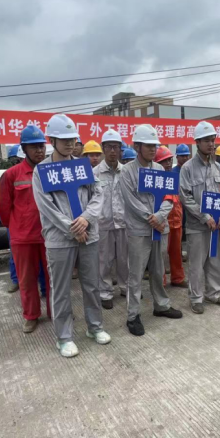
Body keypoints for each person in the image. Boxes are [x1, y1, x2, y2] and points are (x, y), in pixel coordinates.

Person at [32, 114, 111, 358]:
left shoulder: (83, 166)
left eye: (72, 139)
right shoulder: (41, 171)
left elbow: (98, 194)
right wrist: (72, 228)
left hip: (89, 235)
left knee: (91, 284)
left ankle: (95, 327)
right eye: (64, 139)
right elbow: (46, 206)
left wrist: (86, 219)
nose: (69, 143)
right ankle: (64, 337)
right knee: (61, 289)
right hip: (60, 239)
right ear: (52, 140)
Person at [120, 126, 183, 336]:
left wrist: (161, 216)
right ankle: (133, 315)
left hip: (160, 227)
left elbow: (169, 196)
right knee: (136, 274)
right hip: (139, 230)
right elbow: (130, 201)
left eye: (154, 145)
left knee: (158, 270)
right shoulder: (127, 171)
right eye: (148, 145)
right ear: (137, 146)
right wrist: (151, 217)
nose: (152, 149)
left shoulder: (159, 169)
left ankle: (161, 305)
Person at [0, 125, 52, 334]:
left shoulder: (52, 171)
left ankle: (56, 312)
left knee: (54, 279)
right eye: (34, 147)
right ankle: (31, 316)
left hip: (49, 235)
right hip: (23, 237)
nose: (39, 151)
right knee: (27, 280)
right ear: (24, 148)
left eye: (41, 146)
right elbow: (3, 208)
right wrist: (16, 228)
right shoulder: (11, 175)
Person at [180, 121, 220, 314]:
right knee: (196, 264)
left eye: (213, 140)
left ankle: (213, 294)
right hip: (197, 226)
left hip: (216, 226)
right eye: (207, 140)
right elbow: (185, 197)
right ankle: (196, 298)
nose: (211, 144)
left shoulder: (217, 167)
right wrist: (205, 216)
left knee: (214, 260)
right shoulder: (187, 168)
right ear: (197, 143)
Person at [94, 130, 128, 310]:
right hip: (103, 224)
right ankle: (105, 292)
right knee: (104, 261)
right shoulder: (95, 173)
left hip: (123, 222)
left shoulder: (126, 172)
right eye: (109, 147)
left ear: (121, 149)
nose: (113, 151)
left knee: (125, 259)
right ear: (103, 148)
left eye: (116, 147)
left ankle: (126, 287)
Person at [156, 146, 188, 289]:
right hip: (163, 223)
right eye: (164, 161)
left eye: (169, 160)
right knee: (161, 255)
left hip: (177, 221)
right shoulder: (155, 180)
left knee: (176, 253)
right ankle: (161, 281)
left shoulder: (176, 177)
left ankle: (178, 278)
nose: (168, 163)